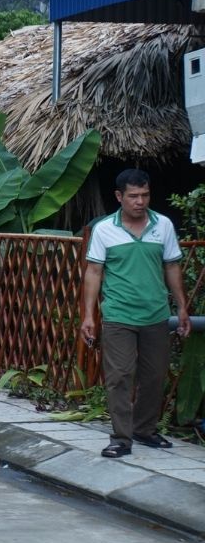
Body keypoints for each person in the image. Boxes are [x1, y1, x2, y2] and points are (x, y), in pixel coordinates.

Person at [80, 168, 190, 459]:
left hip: (156, 313)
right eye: (133, 196)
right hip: (118, 314)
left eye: (145, 195)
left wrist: (181, 307)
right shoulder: (105, 229)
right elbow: (93, 272)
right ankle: (120, 438)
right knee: (119, 376)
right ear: (119, 197)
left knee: (154, 376)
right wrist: (89, 316)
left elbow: (172, 266)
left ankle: (145, 429)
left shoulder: (163, 225)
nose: (140, 201)